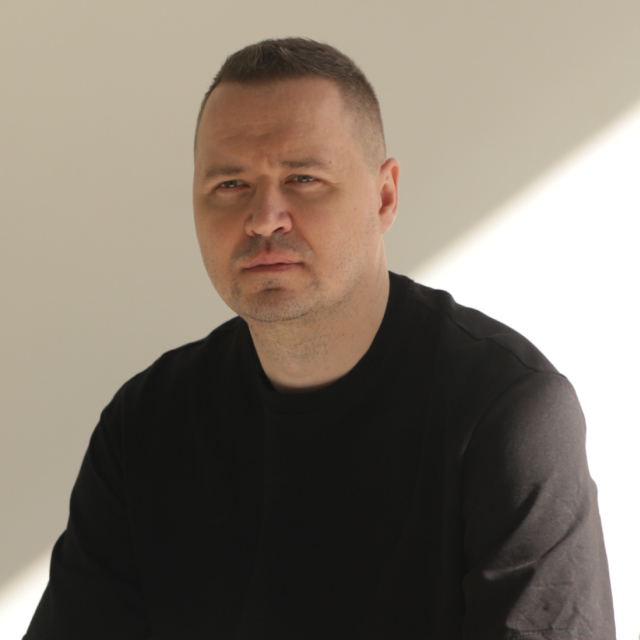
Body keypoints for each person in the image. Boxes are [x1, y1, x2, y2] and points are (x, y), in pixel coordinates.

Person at [24, 37, 615, 640]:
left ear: (384, 197)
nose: (264, 218)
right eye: (230, 185)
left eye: (304, 178)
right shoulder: (145, 425)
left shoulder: (506, 415)